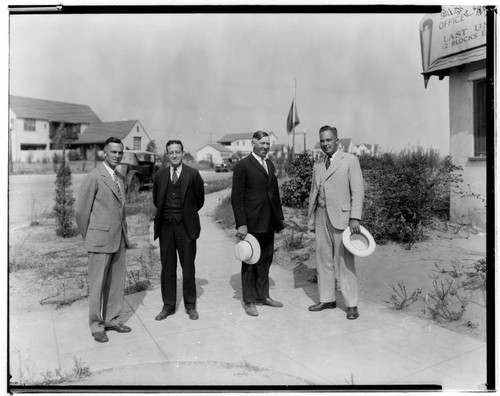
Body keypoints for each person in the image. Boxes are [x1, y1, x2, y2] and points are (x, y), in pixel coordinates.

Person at [75, 137, 131, 343]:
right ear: (104, 153)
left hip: (118, 239)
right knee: (97, 284)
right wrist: (89, 236)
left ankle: (112, 319)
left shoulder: (120, 178)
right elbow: (81, 211)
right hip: (99, 239)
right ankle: (96, 326)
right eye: (113, 152)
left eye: (120, 152)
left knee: (116, 283)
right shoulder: (94, 177)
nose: (117, 155)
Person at [307, 125, 364, 320]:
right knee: (322, 259)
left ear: (337, 141)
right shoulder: (318, 165)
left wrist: (355, 218)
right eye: (322, 140)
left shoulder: (350, 161)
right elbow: (314, 193)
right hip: (322, 216)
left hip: (343, 219)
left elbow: (357, 191)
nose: (325, 144)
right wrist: (312, 219)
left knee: (344, 263)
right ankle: (327, 298)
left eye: (328, 140)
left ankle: (351, 304)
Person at [231, 130, 285, 317]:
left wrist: (279, 220)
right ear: (252, 143)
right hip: (251, 223)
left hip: (268, 221)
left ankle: (263, 296)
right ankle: (249, 300)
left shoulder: (269, 164)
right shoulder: (243, 166)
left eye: (268, 143)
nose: (265, 146)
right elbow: (237, 198)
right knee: (250, 261)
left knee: (265, 260)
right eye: (262, 143)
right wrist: (241, 224)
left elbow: (274, 194)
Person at [153, 140, 205, 321]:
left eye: (177, 152)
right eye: (171, 152)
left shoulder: (193, 174)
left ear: (183, 153)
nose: (174, 155)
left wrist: (187, 215)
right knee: (167, 267)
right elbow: (156, 200)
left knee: (188, 268)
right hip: (166, 227)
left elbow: (199, 201)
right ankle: (168, 306)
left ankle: (191, 306)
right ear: (167, 155)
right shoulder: (160, 175)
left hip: (186, 227)